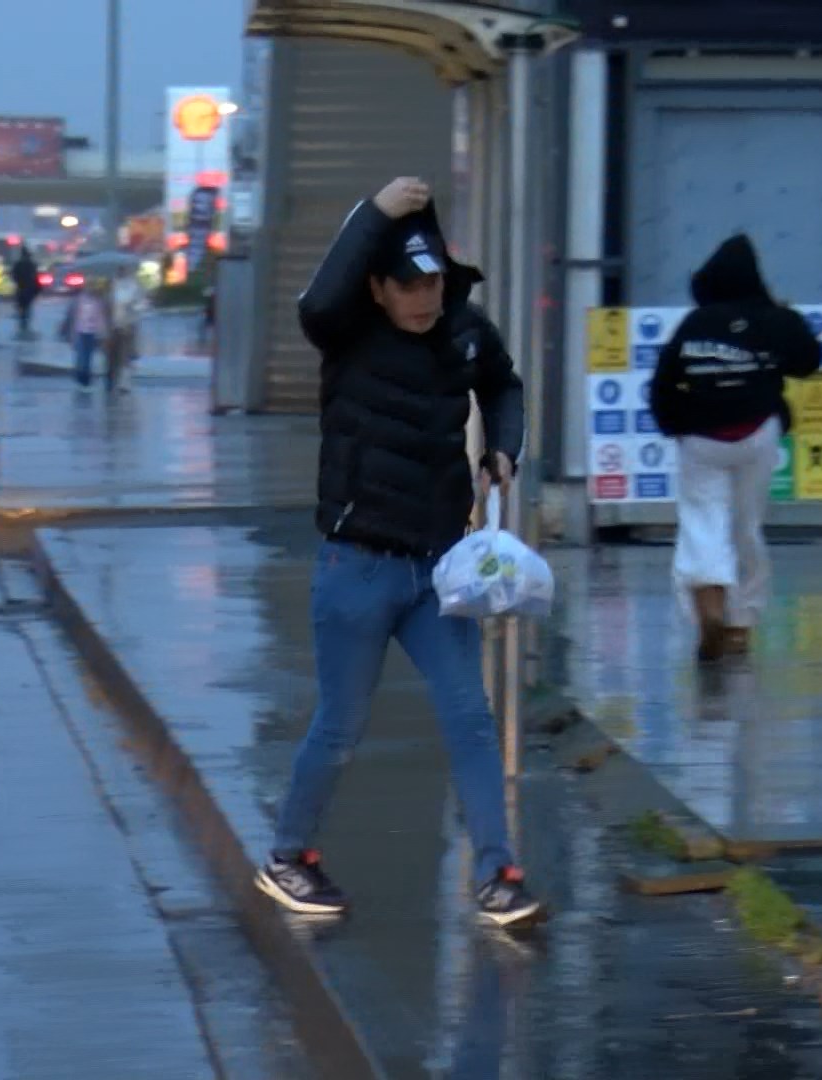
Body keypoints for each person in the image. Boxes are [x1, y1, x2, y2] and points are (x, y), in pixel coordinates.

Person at [254, 176, 544, 929]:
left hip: (438, 569)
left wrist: (503, 450)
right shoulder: (345, 333)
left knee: (470, 718)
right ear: (377, 287)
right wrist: (376, 209)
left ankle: (498, 875)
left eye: (435, 282)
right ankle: (289, 855)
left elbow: (504, 385)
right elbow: (316, 298)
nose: (425, 298)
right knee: (341, 726)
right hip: (357, 565)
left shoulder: (466, 331)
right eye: (409, 284)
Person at [647, 234, 822, 662]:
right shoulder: (770, 318)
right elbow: (809, 361)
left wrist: (677, 426)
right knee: (746, 526)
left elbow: (663, 386)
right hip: (756, 432)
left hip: (702, 438)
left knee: (702, 522)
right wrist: (782, 317)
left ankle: (709, 609)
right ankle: (742, 623)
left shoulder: (693, 325)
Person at [62, 281, 111, 388]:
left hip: (91, 332)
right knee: (81, 355)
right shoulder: (78, 300)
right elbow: (72, 317)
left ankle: (85, 379)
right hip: (79, 331)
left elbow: (100, 318)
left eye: (92, 287)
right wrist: (71, 333)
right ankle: (80, 375)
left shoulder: (98, 302)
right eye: (89, 287)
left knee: (88, 356)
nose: (90, 289)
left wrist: (103, 332)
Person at [104, 265, 145, 393]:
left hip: (128, 326)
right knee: (112, 356)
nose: (121, 271)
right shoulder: (112, 285)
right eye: (120, 269)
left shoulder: (133, 286)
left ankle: (124, 383)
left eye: (123, 269)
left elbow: (140, 305)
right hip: (113, 326)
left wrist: (132, 307)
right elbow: (107, 305)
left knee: (125, 355)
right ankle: (112, 380)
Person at [10, 248, 41, 337]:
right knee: (27, 309)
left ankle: (22, 327)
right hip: (29, 290)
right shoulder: (32, 265)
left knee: (22, 309)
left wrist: (19, 283)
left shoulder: (18, 265)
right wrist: (37, 290)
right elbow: (36, 278)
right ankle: (25, 327)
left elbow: (13, 277)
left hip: (21, 290)